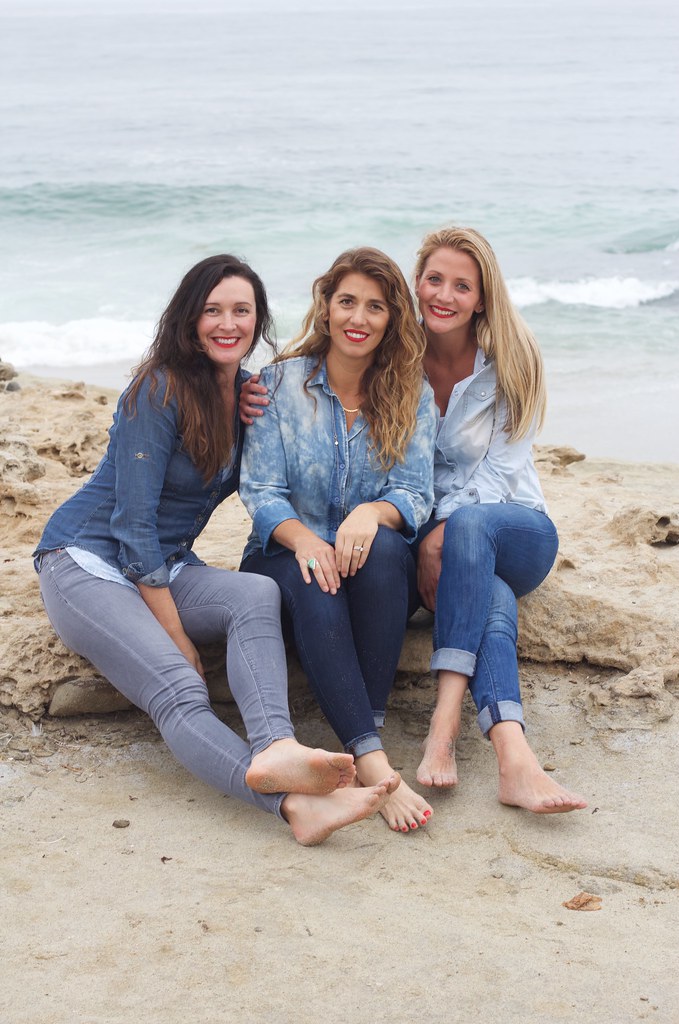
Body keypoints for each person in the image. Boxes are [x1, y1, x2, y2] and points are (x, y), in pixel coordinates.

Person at [33, 254, 400, 847]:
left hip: (167, 560)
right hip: (86, 561)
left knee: (256, 590)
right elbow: (130, 525)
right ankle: (289, 808)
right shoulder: (157, 388)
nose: (227, 324)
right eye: (212, 310)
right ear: (188, 319)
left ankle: (277, 746)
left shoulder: (246, 395)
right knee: (181, 688)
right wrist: (177, 633)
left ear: (258, 322)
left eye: (241, 311)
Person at [239, 247, 437, 833]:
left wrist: (372, 513)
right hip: (283, 555)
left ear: (392, 319)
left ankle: (364, 724)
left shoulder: (410, 392)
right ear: (325, 308)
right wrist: (303, 540)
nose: (359, 316)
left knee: (380, 550)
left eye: (376, 306)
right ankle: (372, 757)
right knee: (315, 578)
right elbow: (261, 490)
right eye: (347, 300)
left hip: (369, 564)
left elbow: (416, 494)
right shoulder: (278, 384)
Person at [412, 226, 587, 813]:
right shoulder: (396, 361)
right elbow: (324, 360)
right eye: (434, 279)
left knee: (468, 527)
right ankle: (514, 759)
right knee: (488, 597)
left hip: (518, 531)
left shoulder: (511, 361)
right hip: (456, 551)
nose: (445, 294)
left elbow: (499, 476)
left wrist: (436, 535)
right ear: (416, 283)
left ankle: (443, 723)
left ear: (482, 297)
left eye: (463, 285)